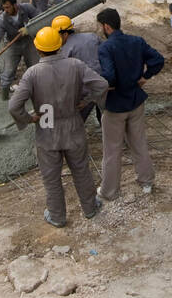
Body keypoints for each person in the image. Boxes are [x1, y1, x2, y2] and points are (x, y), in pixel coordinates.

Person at [9, 26, 109, 227]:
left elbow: (14, 106)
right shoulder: (75, 65)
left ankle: (57, 216)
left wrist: (29, 119)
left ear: (38, 50)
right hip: (72, 123)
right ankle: (90, 208)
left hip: (47, 126)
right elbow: (102, 85)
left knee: (51, 177)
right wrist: (87, 100)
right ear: (59, 46)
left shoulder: (32, 73)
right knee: (81, 170)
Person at [96, 7, 164, 200]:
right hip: (135, 101)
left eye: (99, 26)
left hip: (115, 105)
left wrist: (100, 85)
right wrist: (145, 76)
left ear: (106, 27)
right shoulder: (137, 41)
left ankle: (109, 191)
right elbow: (158, 60)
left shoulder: (106, 48)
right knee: (139, 144)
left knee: (112, 150)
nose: (99, 29)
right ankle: (147, 183)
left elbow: (109, 76)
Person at [0, 0, 39, 99]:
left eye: (7, 7)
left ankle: (37, 91)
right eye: (4, 7)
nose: (5, 10)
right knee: (9, 70)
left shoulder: (27, 8)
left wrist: (30, 28)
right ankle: (4, 95)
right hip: (12, 44)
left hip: (28, 41)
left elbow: (41, 18)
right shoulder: (2, 20)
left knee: (35, 67)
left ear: (15, 5)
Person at [54, 14, 103, 122]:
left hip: (85, 91)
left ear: (65, 34)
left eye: (57, 35)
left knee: (77, 121)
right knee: (105, 118)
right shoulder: (92, 36)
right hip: (103, 84)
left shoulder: (66, 50)